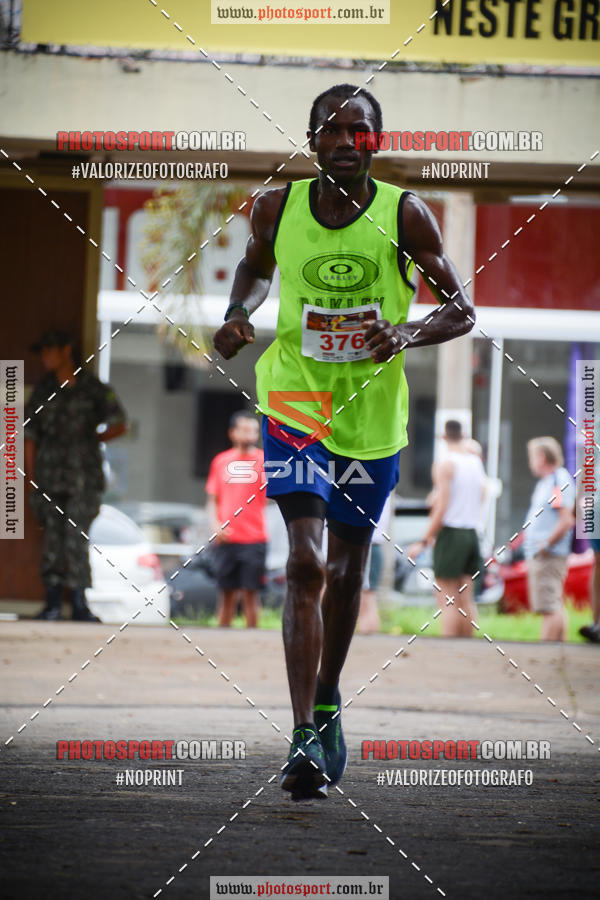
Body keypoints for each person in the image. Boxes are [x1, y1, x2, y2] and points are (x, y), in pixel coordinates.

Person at [213, 83, 475, 800]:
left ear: (375, 143)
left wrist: (407, 332)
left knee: (347, 566)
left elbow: (460, 310)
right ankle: (301, 734)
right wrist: (238, 312)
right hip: (295, 397)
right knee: (303, 561)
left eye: (357, 130)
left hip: (369, 413)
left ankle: (327, 695)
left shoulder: (405, 213)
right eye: (329, 130)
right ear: (312, 141)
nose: (342, 141)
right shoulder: (278, 205)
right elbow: (257, 267)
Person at [24, 329, 127, 622]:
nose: (45, 357)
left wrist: (93, 440)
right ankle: (53, 604)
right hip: (50, 475)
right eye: (42, 351)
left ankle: (80, 604)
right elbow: (29, 435)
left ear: (66, 350)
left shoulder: (93, 388)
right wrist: (31, 478)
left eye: (49, 350)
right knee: (53, 538)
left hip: (84, 477)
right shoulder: (43, 391)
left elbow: (121, 423)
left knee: (77, 536)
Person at [408, 420, 486, 637]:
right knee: (466, 598)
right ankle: (467, 649)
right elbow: (482, 495)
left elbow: (441, 507)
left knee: (447, 598)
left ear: (442, 437)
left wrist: (424, 540)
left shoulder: (445, 464)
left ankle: (449, 650)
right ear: (464, 435)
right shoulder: (475, 462)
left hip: (451, 533)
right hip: (472, 533)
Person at [205, 410, 267, 628]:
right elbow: (212, 499)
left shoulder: (265, 461)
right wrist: (215, 526)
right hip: (226, 539)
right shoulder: (221, 461)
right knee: (226, 594)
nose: (249, 434)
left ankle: (253, 641)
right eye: (244, 429)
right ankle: (222, 641)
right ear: (232, 433)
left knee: (251, 595)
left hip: (255, 538)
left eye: (253, 430)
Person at [524, 437, 575, 642]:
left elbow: (566, 520)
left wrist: (546, 545)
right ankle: (560, 653)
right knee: (555, 604)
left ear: (542, 457)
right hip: (545, 552)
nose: (530, 462)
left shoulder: (557, 480)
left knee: (549, 608)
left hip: (548, 554)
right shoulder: (550, 481)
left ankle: (545, 653)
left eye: (532, 457)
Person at [357, 493, 392, 635]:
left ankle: (368, 643)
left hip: (368, 543)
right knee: (366, 599)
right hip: (371, 543)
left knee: (366, 600)